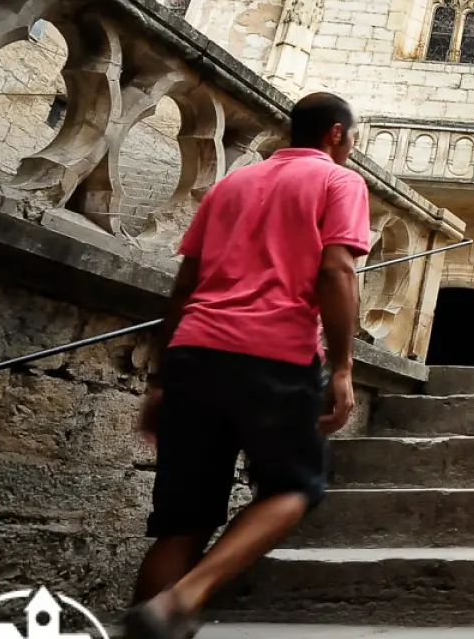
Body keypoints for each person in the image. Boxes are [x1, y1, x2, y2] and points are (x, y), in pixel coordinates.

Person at [123, 92, 371, 639]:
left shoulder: (232, 182)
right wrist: (345, 366)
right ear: (336, 134)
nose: (351, 148)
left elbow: (184, 285)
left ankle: (149, 617)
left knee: (183, 522)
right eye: (352, 137)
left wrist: (163, 379)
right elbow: (337, 273)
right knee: (293, 488)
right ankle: (181, 600)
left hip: (194, 352)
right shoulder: (339, 181)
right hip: (273, 355)